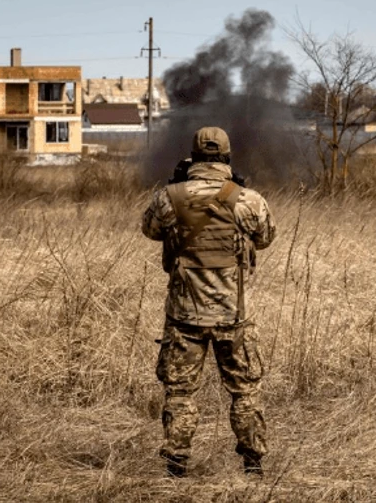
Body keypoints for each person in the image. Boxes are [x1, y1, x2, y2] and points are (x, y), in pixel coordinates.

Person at [141, 127, 276, 478]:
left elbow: (150, 230)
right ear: (227, 157)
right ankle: (253, 463)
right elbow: (264, 239)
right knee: (245, 391)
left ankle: (176, 464)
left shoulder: (169, 197)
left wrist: (176, 183)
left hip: (185, 316)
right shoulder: (248, 199)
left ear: (194, 157)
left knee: (180, 392)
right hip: (234, 314)